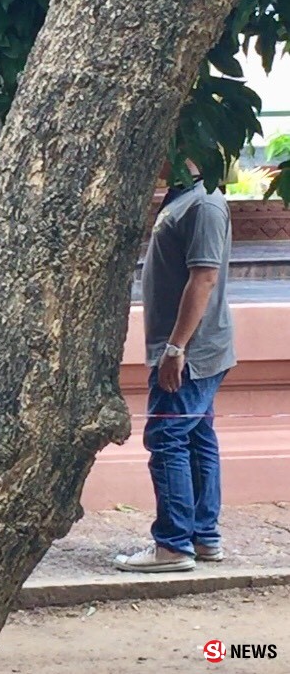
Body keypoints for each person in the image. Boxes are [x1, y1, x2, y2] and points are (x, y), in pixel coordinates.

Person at [114, 159, 236, 573]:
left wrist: (175, 348)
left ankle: (172, 545)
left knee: (166, 436)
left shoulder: (205, 203)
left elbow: (204, 278)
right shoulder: (184, 197)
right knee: (197, 437)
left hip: (191, 353)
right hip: (190, 350)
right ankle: (202, 538)